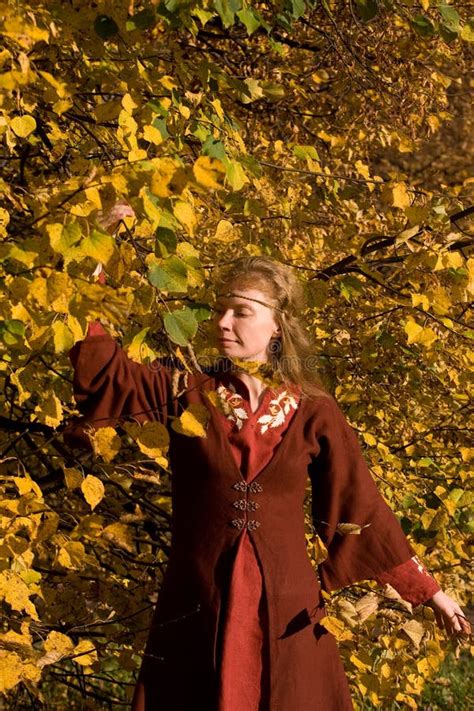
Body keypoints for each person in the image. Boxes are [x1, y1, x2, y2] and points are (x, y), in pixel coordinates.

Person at [64, 256, 470, 710]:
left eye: (241, 311)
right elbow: (106, 376)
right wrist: (92, 257)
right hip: (198, 601)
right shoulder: (182, 393)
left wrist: (430, 593)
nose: (222, 322)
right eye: (221, 309)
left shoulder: (315, 411)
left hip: (288, 609)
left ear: (277, 325)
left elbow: (359, 508)